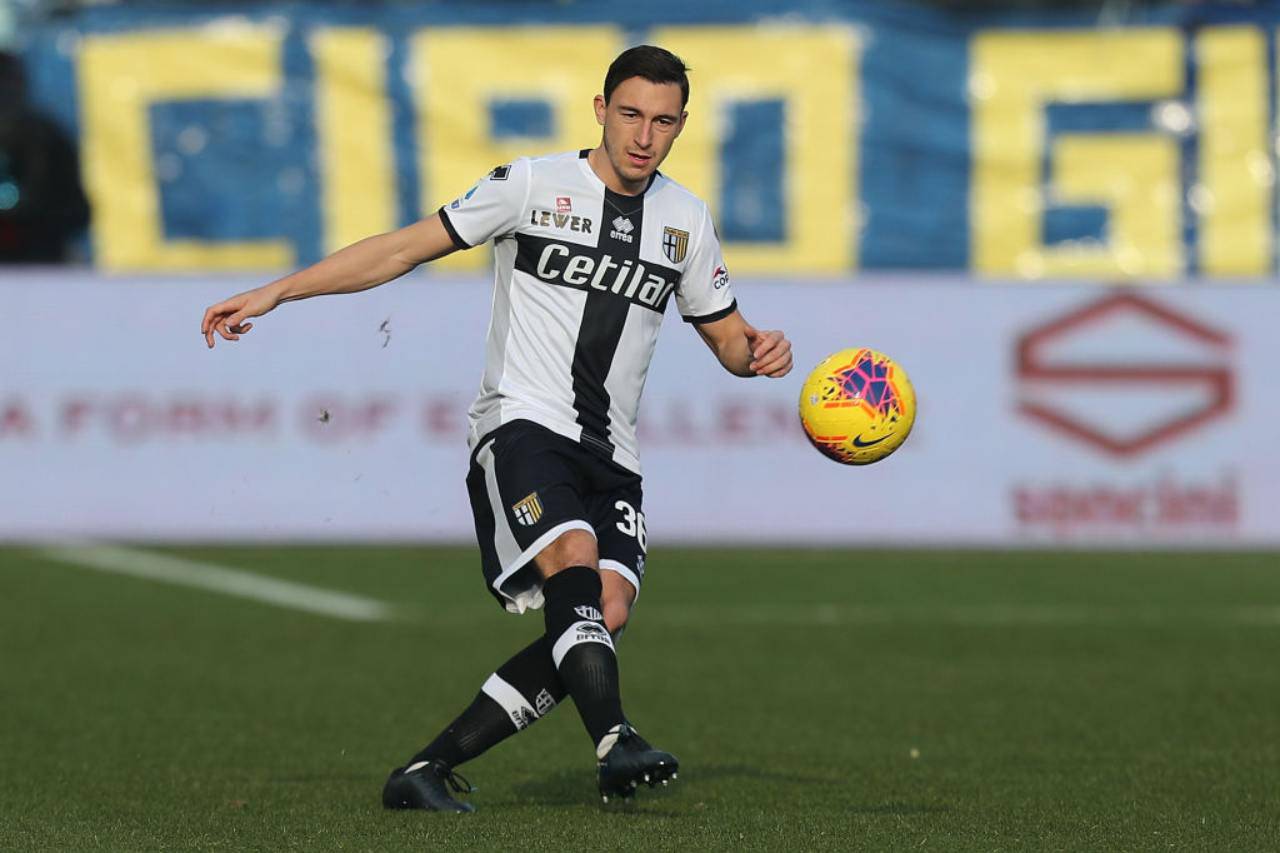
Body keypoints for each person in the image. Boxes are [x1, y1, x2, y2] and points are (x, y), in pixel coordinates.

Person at [201, 45, 793, 811]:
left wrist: (759, 353)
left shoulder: (686, 220)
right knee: (573, 559)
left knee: (601, 614)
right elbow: (405, 246)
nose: (645, 136)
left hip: (613, 453)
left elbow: (729, 339)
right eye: (631, 115)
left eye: (665, 121)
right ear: (600, 110)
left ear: (682, 126)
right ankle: (615, 739)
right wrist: (279, 291)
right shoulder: (531, 184)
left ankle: (424, 770)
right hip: (522, 425)